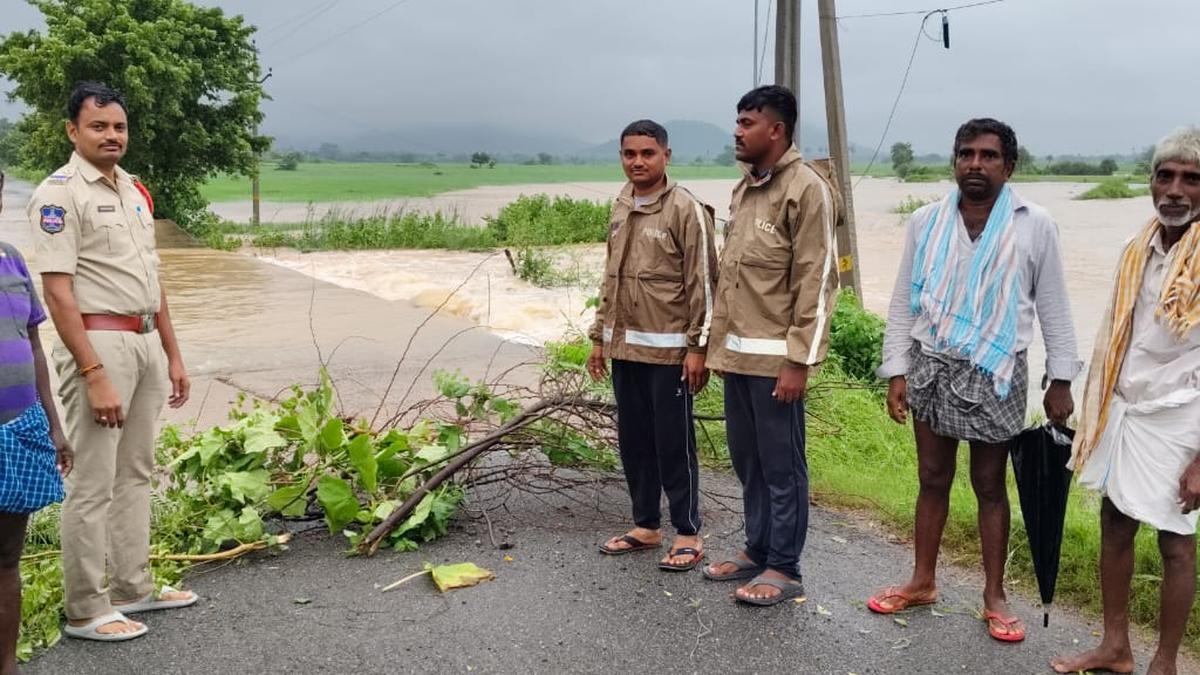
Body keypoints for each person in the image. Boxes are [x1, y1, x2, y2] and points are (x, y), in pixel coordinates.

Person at [867, 118, 1080, 643]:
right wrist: (896, 369)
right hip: (932, 364)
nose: (975, 164)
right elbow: (903, 300)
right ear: (954, 162)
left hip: (998, 369)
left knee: (989, 485)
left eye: (988, 155)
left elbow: (1054, 305)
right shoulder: (926, 221)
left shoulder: (1035, 224)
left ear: (1009, 166)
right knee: (932, 478)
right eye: (966, 154)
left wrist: (1061, 379)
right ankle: (922, 581)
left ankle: (994, 595)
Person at [27, 81, 194, 642]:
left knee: (137, 471)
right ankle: (85, 608)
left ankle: (132, 585)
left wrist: (172, 353)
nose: (111, 135)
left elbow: (153, 279)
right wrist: (93, 374)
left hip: (143, 339)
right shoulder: (59, 195)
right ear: (73, 131)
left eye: (118, 126)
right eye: (98, 126)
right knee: (94, 480)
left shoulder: (134, 191)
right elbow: (57, 294)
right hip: (98, 344)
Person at [1052, 127, 1200, 675]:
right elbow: (1121, 334)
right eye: (1166, 176)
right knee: (1115, 521)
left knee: (1175, 540)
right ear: (1151, 183)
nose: (1176, 190)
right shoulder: (1139, 247)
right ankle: (1116, 647)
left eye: (1191, 178)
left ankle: (1165, 662)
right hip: (1126, 405)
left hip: (1184, 414)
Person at [700, 85, 840, 606]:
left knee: (782, 468)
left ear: (776, 130)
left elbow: (819, 281)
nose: (737, 131)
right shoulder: (745, 189)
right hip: (737, 359)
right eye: (737, 122)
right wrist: (713, 350)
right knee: (748, 462)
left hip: (777, 364)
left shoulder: (807, 190)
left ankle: (785, 567)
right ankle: (756, 549)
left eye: (746, 123)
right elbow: (733, 279)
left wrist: (799, 360)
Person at [588, 119, 718, 571]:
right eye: (629, 154)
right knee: (634, 441)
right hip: (626, 351)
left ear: (666, 155)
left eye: (647, 153)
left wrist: (698, 347)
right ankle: (646, 525)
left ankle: (687, 532)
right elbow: (611, 277)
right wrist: (599, 339)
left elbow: (703, 281)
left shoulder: (686, 209)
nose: (637, 162)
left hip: (671, 356)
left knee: (673, 443)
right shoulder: (621, 205)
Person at [0, 168, 73, 675]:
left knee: (6, 561)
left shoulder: (11, 258)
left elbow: (33, 344)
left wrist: (53, 422)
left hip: (19, 430)